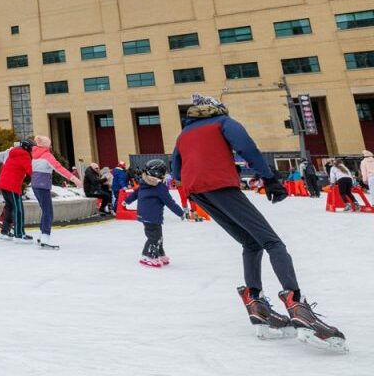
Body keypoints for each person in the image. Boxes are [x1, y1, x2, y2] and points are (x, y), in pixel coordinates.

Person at [171, 93, 345, 349]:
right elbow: (246, 147)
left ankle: (256, 304)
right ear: (218, 108)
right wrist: (269, 177)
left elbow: (175, 170)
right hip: (221, 187)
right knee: (273, 242)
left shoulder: (183, 134)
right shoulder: (223, 122)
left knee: (251, 243)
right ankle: (297, 305)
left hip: (198, 192)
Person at [123, 159, 184, 267]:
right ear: (159, 173)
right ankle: (148, 256)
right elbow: (170, 202)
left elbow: (135, 193)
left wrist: (127, 201)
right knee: (153, 237)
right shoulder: (159, 187)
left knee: (158, 236)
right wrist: (181, 213)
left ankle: (159, 254)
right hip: (152, 217)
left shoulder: (143, 183)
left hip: (146, 215)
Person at [28, 136, 81, 250]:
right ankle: (45, 237)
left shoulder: (35, 155)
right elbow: (59, 168)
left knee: (45, 210)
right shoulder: (47, 155)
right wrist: (74, 179)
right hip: (43, 186)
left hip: (35, 185)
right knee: (48, 212)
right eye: (50, 144)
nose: (51, 146)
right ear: (46, 145)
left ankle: (41, 235)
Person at [0, 138, 36, 242]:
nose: (33, 150)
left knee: (9, 208)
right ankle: (19, 235)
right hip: (12, 186)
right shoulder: (24, 155)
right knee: (18, 210)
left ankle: (5, 232)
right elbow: (31, 171)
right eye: (32, 148)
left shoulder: (14, 153)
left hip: (4, 184)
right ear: (28, 148)